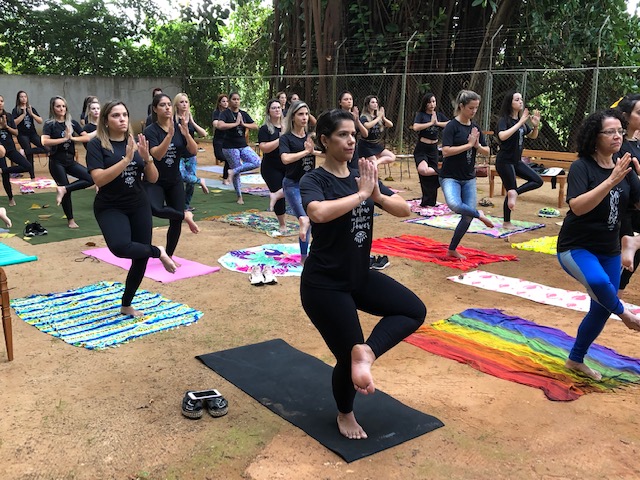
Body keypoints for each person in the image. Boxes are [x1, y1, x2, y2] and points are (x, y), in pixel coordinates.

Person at [299, 109, 426, 440]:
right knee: (346, 355)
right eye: (343, 135)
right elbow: (317, 213)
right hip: (324, 285)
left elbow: (405, 209)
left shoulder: (363, 174)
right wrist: (358, 195)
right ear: (324, 141)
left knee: (413, 310)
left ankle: (367, 352)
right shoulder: (314, 179)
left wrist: (377, 194)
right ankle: (345, 413)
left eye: (353, 134)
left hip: (358, 276)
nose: (352, 139)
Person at [557, 108, 640, 381]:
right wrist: (611, 180)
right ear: (595, 137)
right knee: (601, 284)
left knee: (600, 308)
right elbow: (578, 207)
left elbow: (636, 205)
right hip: (575, 247)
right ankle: (626, 315)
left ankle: (575, 360)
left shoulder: (624, 167)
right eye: (610, 132)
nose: (618, 136)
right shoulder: (583, 166)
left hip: (609, 249)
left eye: (620, 130)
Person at [86, 101, 177, 317]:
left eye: (125, 114)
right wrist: (126, 160)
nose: (122, 119)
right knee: (120, 247)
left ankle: (126, 304)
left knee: (140, 258)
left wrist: (148, 161)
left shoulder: (137, 142)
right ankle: (159, 251)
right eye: (116, 115)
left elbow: (152, 179)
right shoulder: (97, 144)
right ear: (106, 121)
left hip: (138, 204)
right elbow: (99, 178)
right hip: (110, 206)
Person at [143, 93, 200, 261]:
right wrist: (169, 136)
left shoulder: (179, 127)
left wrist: (187, 134)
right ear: (155, 109)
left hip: (174, 180)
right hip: (155, 181)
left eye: (169, 104)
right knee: (155, 209)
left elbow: (193, 151)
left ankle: (169, 255)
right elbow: (157, 155)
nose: (167, 107)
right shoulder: (150, 131)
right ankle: (185, 215)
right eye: (162, 105)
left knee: (175, 221)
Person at [440, 90, 494, 259]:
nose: (474, 111)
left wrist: (476, 145)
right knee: (455, 205)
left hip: (469, 177)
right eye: (471, 108)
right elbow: (446, 151)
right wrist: (468, 145)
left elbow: (487, 152)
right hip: (450, 176)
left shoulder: (475, 127)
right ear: (461, 106)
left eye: (476, 108)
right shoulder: (451, 126)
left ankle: (452, 249)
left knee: (467, 217)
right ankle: (480, 214)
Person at [41, 96, 94, 227]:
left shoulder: (72, 123)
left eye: (63, 106)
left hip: (70, 161)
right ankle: (70, 220)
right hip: (56, 161)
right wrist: (63, 139)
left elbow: (86, 138)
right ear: (53, 108)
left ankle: (64, 189)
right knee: (65, 189)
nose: (61, 108)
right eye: (58, 106)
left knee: (90, 178)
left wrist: (72, 138)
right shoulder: (50, 124)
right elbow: (44, 141)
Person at [495, 91, 543, 225]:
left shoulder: (520, 122)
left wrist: (535, 126)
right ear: (510, 103)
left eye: (521, 99)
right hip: (504, 161)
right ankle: (507, 222)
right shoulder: (504, 120)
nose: (520, 101)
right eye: (517, 99)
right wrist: (520, 122)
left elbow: (532, 136)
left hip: (516, 161)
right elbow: (502, 136)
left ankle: (515, 193)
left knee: (537, 180)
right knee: (511, 189)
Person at [280, 101, 319, 262]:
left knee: (313, 221)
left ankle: (307, 257)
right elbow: (285, 159)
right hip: (292, 185)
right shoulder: (286, 138)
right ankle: (304, 258)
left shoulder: (312, 137)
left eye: (306, 114)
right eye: (300, 114)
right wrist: (305, 152)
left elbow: (322, 153)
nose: (304, 118)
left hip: (310, 186)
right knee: (304, 219)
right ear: (293, 117)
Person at [217, 92, 261, 204]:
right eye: (234, 99)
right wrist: (235, 124)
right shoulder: (225, 113)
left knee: (256, 161)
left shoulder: (243, 114)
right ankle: (239, 196)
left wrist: (243, 124)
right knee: (237, 171)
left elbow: (255, 126)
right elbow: (220, 125)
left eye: (238, 99)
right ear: (230, 101)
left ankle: (232, 171)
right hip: (229, 147)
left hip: (242, 145)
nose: (236, 101)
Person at [615, 94, 640, 289]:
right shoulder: (618, 146)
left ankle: (617, 293)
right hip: (624, 209)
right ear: (626, 116)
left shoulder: (636, 143)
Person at [173, 93, 209, 211]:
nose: (184, 104)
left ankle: (185, 206)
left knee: (190, 184)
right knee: (182, 176)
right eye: (181, 102)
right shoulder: (173, 119)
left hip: (191, 155)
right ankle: (200, 181)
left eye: (186, 102)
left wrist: (192, 122)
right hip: (178, 155)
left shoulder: (190, 118)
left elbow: (204, 134)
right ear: (177, 105)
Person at [412, 92, 449, 206]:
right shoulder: (421, 115)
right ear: (425, 104)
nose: (432, 104)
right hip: (422, 148)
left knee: (431, 177)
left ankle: (429, 201)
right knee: (423, 171)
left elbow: (450, 124)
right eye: (429, 102)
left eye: (434, 101)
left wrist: (437, 123)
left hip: (433, 148)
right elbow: (416, 127)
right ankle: (445, 172)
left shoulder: (438, 115)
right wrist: (430, 123)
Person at [258, 99, 287, 232]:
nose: (277, 110)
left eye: (278, 107)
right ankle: (282, 224)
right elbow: (264, 148)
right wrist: (280, 139)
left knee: (292, 188)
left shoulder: (288, 126)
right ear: (269, 111)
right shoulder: (265, 129)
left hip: (287, 164)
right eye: (273, 108)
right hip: (271, 167)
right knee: (278, 192)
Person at [0, 95, 31, 205]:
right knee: (5, 177)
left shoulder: (8, 116)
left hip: (10, 148)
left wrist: (6, 127)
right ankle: (10, 198)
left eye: (2, 101)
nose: (0, 103)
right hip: (0, 151)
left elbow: (16, 133)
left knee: (27, 166)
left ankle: (3, 170)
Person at [12, 90, 48, 182]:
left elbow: (40, 121)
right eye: (21, 97)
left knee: (46, 148)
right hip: (22, 135)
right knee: (30, 156)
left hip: (32, 134)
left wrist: (31, 114)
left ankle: (25, 151)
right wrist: (23, 114)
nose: (23, 98)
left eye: (25, 96)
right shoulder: (16, 110)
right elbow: (14, 124)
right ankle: (32, 177)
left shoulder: (31, 108)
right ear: (18, 98)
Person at [359, 95, 395, 167]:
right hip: (366, 145)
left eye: (376, 102)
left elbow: (390, 125)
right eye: (372, 102)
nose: (375, 104)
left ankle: (377, 162)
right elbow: (367, 125)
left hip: (375, 144)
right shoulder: (364, 116)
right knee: (373, 162)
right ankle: (373, 175)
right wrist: (378, 118)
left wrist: (383, 117)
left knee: (392, 157)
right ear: (367, 104)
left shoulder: (378, 116)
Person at [338, 91, 368, 170]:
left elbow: (365, 134)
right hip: (340, 147)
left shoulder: (355, 116)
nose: (349, 101)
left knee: (354, 171)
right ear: (340, 102)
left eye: (351, 99)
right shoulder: (336, 117)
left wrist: (357, 120)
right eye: (346, 99)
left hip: (353, 148)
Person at [212, 94, 230, 184]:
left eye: (227, 101)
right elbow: (216, 124)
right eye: (223, 101)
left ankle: (225, 178)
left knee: (228, 159)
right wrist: (225, 125)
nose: (226, 103)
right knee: (219, 156)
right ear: (219, 103)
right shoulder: (216, 113)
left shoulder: (229, 113)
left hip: (227, 140)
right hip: (218, 140)